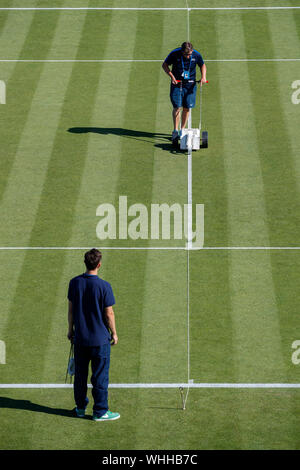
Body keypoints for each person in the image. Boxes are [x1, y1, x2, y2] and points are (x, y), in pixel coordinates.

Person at [67, 248, 120, 422]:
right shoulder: (104, 286)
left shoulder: (74, 283)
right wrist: (114, 333)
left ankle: (80, 408)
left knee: (80, 376)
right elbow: (109, 313)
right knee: (100, 377)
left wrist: (70, 330)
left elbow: (71, 311)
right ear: (99, 264)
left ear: (85, 263)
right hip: (100, 341)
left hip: (81, 339)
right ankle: (100, 411)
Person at [162, 41, 207, 146]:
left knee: (187, 107)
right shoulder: (174, 53)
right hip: (177, 84)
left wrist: (203, 77)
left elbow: (202, 65)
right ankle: (175, 130)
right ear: (182, 51)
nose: (188, 56)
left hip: (190, 84)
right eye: (186, 54)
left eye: (189, 54)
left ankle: (182, 129)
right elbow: (164, 65)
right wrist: (172, 77)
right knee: (177, 107)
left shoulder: (196, 54)